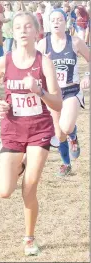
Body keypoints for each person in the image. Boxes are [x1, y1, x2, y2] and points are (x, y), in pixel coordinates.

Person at [0, 11, 62, 256]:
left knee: (29, 188)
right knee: (3, 191)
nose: (22, 30)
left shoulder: (45, 62)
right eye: (18, 27)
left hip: (39, 130)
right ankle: (19, 164)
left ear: (36, 31)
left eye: (27, 26)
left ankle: (29, 238)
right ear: (13, 32)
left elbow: (58, 103)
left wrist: (39, 90)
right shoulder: (5, 61)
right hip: (12, 130)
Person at [37, 8, 90, 176]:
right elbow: (34, 66)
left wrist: (87, 75)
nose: (56, 23)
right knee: (58, 133)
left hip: (72, 90)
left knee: (66, 127)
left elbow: (89, 60)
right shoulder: (43, 44)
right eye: (53, 20)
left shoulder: (75, 41)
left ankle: (73, 135)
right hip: (53, 93)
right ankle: (66, 164)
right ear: (49, 23)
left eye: (60, 19)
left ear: (65, 21)